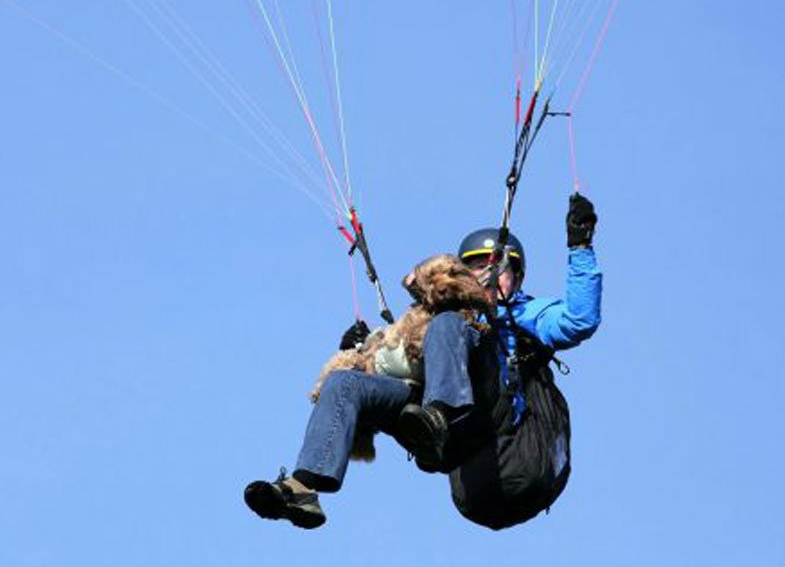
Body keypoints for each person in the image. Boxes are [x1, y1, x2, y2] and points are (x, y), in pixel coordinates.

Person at [243, 193, 602, 529]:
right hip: (439, 433)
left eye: (496, 267)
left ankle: (441, 414)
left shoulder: (523, 313)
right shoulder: (432, 315)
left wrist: (580, 247)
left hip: (490, 419)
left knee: (450, 321)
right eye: (474, 267)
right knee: (343, 381)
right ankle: (303, 488)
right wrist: (366, 349)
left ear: (516, 276)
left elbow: (578, 321)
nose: (485, 275)